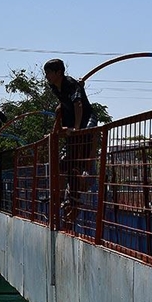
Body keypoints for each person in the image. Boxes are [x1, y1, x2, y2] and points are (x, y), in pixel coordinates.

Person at [43, 58, 97, 217]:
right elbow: (62, 106)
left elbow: (78, 105)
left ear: (58, 72)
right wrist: (58, 129)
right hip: (71, 120)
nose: (46, 76)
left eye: (48, 73)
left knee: (78, 161)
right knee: (65, 164)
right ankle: (62, 197)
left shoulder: (70, 84)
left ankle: (73, 201)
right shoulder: (54, 86)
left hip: (86, 119)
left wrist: (77, 129)